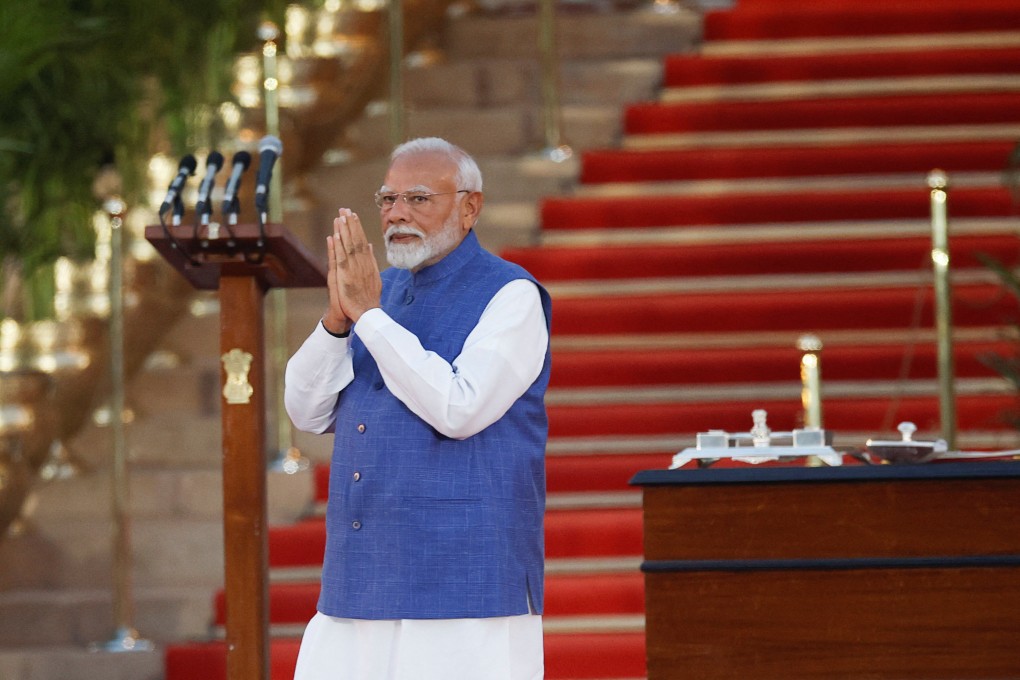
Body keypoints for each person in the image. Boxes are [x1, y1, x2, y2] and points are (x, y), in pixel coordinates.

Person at [284, 137, 552, 680]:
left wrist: (369, 318)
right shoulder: (374, 294)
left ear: (470, 207)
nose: (397, 214)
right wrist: (337, 321)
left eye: (419, 199)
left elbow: (460, 408)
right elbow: (307, 412)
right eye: (388, 199)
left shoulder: (511, 295)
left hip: (463, 575)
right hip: (362, 571)